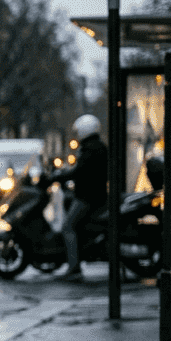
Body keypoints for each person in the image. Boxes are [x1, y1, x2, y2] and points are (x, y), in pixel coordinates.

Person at [53, 114, 107, 281]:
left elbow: (79, 171)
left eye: (78, 131)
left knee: (68, 226)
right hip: (95, 195)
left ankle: (74, 268)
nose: (77, 135)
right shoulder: (96, 147)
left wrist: (59, 176)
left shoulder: (90, 149)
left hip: (88, 197)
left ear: (84, 130)